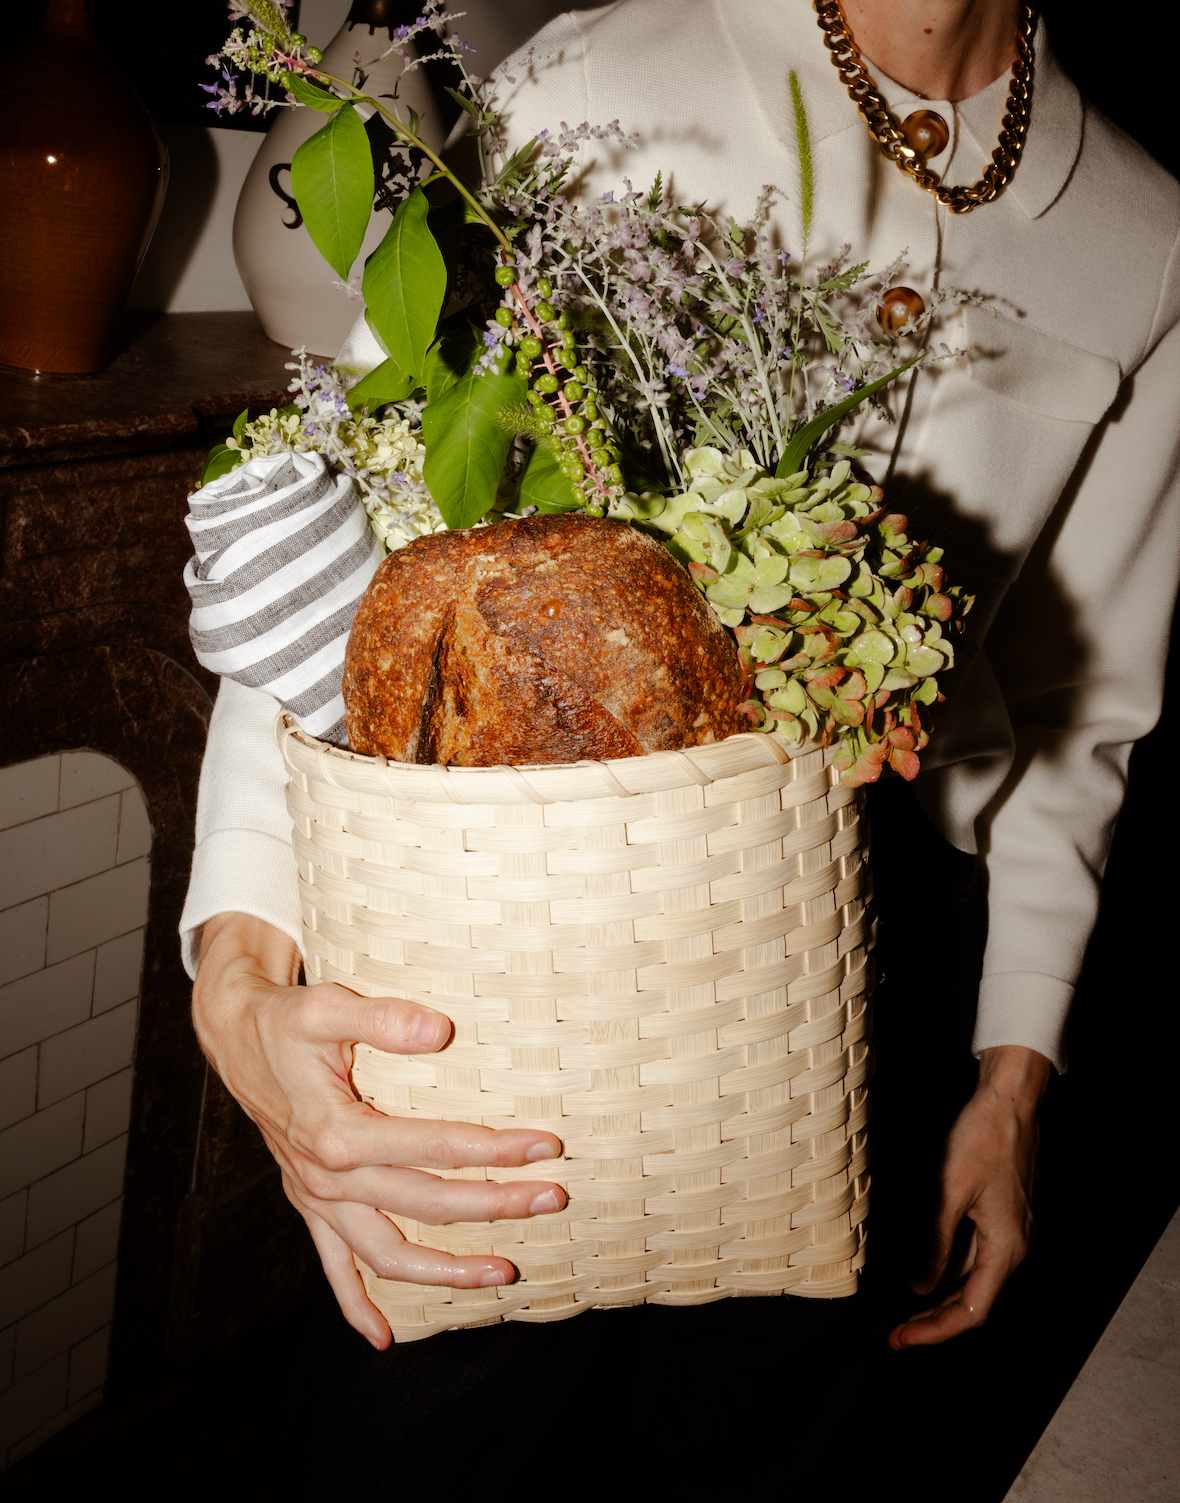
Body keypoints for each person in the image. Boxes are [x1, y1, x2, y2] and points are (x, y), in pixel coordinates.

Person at [184, 0, 1180, 1361]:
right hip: (516, 935)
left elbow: (1084, 715)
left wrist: (1015, 1076)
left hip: (896, 986)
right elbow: (341, 519)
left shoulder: (1153, 237)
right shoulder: (598, 80)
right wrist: (239, 972)